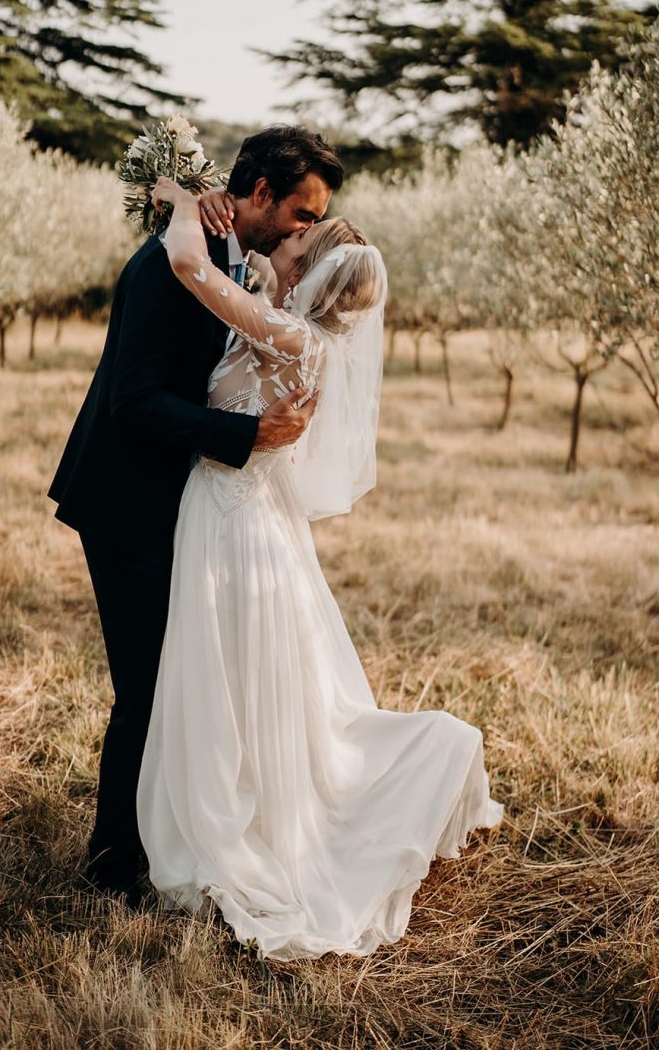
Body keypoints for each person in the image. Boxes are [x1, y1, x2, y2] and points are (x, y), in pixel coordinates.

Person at [136, 177, 503, 961]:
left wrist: (178, 203)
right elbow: (258, 283)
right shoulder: (300, 329)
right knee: (244, 680)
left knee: (225, 676)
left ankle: (241, 827)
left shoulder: (290, 336)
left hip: (232, 523)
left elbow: (191, 269)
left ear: (314, 270)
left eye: (302, 236)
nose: (287, 239)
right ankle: (256, 803)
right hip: (248, 518)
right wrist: (228, 220)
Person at [48, 126, 345, 899]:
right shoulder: (167, 265)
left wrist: (181, 194)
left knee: (180, 678)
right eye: (302, 215)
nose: (306, 232)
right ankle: (113, 867)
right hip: (126, 500)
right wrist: (247, 435)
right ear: (259, 196)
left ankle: (168, 833)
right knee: (144, 686)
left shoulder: (226, 259)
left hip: (181, 500)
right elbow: (133, 400)